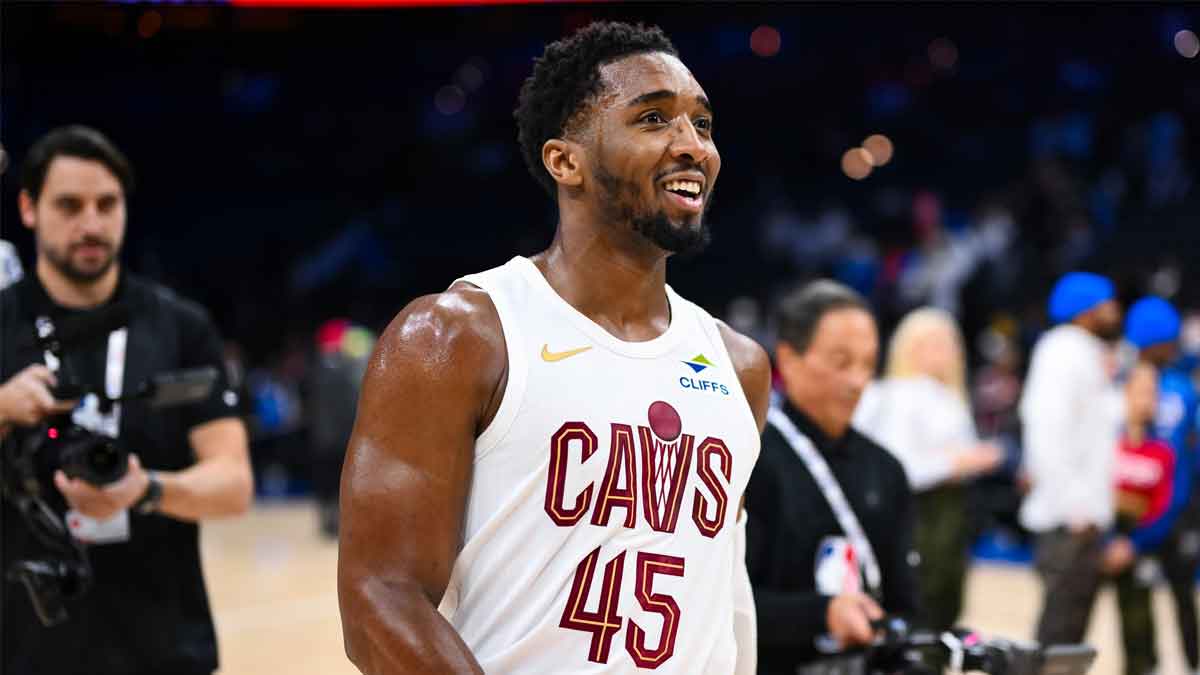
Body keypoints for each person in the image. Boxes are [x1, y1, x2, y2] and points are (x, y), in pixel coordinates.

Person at [337, 21, 771, 674]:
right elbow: (379, 597)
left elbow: (725, 595)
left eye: (703, 125)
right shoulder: (459, 336)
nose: (693, 147)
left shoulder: (740, 366)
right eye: (654, 119)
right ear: (565, 159)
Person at [0, 125, 253, 675]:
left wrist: (147, 490)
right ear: (27, 208)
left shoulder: (182, 326)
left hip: (164, 648)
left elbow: (234, 483)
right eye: (69, 205)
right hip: (22, 648)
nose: (91, 223)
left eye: (106, 204)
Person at [746, 280, 917, 674]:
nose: (858, 381)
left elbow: (906, 604)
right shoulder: (749, 455)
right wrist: (822, 613)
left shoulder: (886, 470)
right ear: (788, 359)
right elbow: (724, 602)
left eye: (868, 364)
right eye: (842, 362)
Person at [853, 307, 1003, 631]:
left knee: (945, 606)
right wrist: (957, 462)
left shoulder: (949, 397)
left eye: (950, 341)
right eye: (934, 342)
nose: (947, 350)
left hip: (952, 516)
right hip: (920, 517)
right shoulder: (899, 395)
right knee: (922, 606)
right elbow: (898, 467)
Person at [1019, 271, 1124, 646]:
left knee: (1070, 640)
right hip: (1068, 522)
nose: (1114, 310)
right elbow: (1045, 431)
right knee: (1056, 640)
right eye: (1107, 303)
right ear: (1085, 309)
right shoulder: (1060, 351)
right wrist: (1075, 507)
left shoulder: (1086, 353)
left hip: (1082, 520)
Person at [1124, 296, 1200, 673]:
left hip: (1178, 509)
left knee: (1182, 595)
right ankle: (1145, 665)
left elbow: (1191, 454)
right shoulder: (1124, 380)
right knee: (1138, 596)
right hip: (1139, 510)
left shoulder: (1184, 389)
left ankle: (1191, 664)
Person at [1108, 361, 1176, 675]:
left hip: (1140, 545)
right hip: (1099, 539)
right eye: (1139, 391)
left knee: (1139, 624)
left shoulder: (1163, 450)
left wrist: (1133, 545)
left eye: (1152, 393)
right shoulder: (1106, 441)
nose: (1146, 400)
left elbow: (1164, 506)